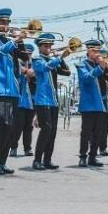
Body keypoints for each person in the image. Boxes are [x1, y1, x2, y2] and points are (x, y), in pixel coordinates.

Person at [0, 8, 26, 175]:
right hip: (0, 89)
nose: (5, 25)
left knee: (12, 127)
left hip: (13, 90)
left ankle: (1, 161)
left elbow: (24, 58)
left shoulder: (11, 43)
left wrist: (20, 41)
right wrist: (15, 40)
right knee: (5, 124)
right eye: (2, 22)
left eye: (7, 22)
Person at [33, 34, 70, 169]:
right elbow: (44, 68)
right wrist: (59, 57)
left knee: (52, 131)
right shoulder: (37, 59)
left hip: (53, 100)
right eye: (45, 46)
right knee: (46, 129)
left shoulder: (52, 60)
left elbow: (67, 72)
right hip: (42, 99)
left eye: (50, 46)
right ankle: (37, 160)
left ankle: (47, 160)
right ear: (39, 47)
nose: (48, 48)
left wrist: (61, 59)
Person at [75, 39, 108, 168]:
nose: (97, 53)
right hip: (89, 103)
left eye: (98, 51)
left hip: (101, 103)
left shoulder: (101, 65)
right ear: (88, 51)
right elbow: (86, 78)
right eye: (94, 51)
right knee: (86, 132)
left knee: (98, 131)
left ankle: (93, 156)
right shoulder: (81, 65)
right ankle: (83, 157)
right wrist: (100, 67)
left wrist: (104, 67)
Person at [10, 43, 36, 158]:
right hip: (20, 99)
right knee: (17, 125)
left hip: (31, 100)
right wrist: (25, 71)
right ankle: (13, 147)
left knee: (28, 126)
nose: (28, 55)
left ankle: (27, 148)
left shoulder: (34, 64)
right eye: (27, 53)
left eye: (30, 53)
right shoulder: (17, 63)